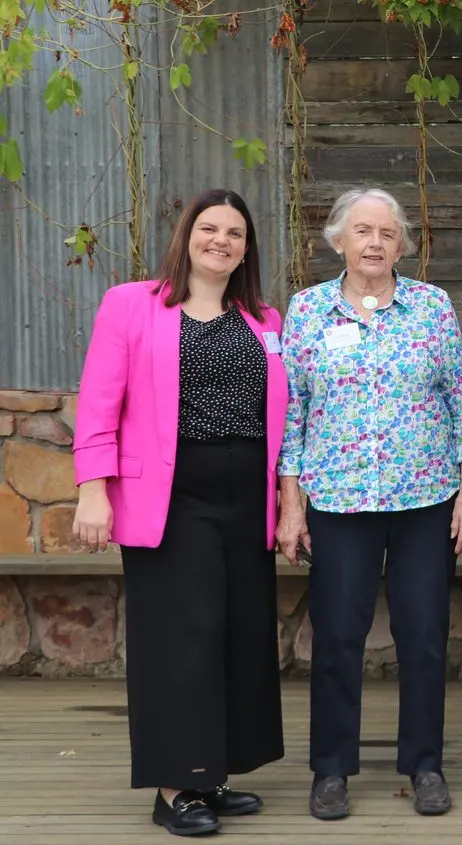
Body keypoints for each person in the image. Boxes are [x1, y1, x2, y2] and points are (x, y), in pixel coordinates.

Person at [71, 189, 287, 837]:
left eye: (235, 233)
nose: (221, 240)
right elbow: (98, 400)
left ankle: (210, 772)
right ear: (187, 234)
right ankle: (173, 786)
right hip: (169, 496)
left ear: (247, 248)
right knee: (180, 640)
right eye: (209, 227)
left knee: (237, 634)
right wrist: (92, 487)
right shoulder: (132, 304)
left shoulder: (263, 319)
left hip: (247, 494)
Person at [276, 188, 462, 820]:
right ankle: (331, 769)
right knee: (338, 636)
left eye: (387, 234)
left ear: (401, 245)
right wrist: (291, 503)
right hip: (338, 500)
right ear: (337, 240)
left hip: (426, 498)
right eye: (361, 231)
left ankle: (424, 763)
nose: (374, 243)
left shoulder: (431, 306)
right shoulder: (308, 310)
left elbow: (460, 399)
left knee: (423, 635)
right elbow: (295, 412)